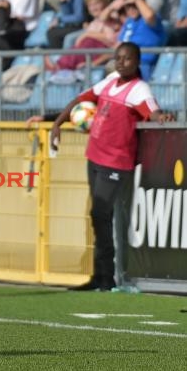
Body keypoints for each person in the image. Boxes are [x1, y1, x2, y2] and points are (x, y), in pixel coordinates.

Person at [50, 42, 174, 291]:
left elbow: (153, 111)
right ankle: (100, 276)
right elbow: (81, 99)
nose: (121, 62)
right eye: (118, 57)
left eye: (127, 58)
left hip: (117, 161)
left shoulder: (140, 89)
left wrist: (162, 117)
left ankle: (109, 276)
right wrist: (57, 124)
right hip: (94, 156)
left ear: (137, 62)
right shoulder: (110, 79)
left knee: (102, 214)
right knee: (99, 216)